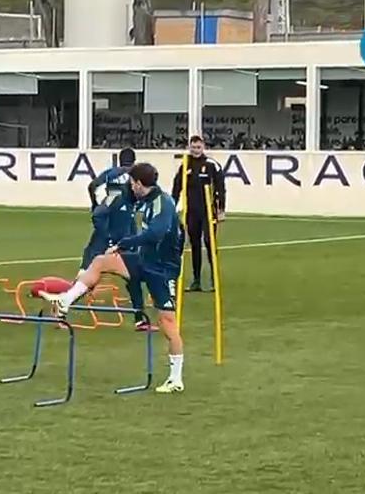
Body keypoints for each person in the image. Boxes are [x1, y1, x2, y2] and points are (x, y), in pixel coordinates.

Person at [41, 163, 185, 393]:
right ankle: (65, 301)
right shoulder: (143, 198)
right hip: (143, 260)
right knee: (99, 261)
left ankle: (176, 378)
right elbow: (114, 200)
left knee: (167, 322)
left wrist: (123, 244)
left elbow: (156, 233)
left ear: (139, 183)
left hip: (163, 269)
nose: (130, 186)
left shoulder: (163, 203)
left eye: (132, 183)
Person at [172, 135, 226, 292]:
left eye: (198, 147)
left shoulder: (211, 165)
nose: (195, 150)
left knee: (210, 243)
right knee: (194, 244)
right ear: (189, 147)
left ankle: (214, 280)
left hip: (208, 212)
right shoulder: (185, 164)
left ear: (203, 148)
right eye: (193, 147)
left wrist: (221, 209)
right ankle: (196, 280)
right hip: (192, 211)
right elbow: (177, 187)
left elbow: (221, 188)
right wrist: (171, 207)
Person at [80, 148, 138, 276]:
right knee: (134, 247)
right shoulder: (135, 175)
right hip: (126, 215)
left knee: (94, 247)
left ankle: (82, 277)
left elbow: (92, 185)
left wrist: (94, 203)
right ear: (134, 161)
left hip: (108, 213)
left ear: (119, 160)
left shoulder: (111, 173)